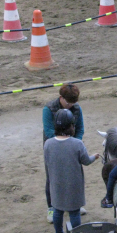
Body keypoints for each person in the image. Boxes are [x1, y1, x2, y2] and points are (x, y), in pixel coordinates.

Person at [43, 109, 100, 233]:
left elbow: (47, 162)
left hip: (56, 184)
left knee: (57, 211)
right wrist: (95, 156)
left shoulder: (48, 144)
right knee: (74, 213)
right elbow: (86, 161)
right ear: (71, 126)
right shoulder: (77, 143)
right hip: (74, 185)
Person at [43, 84, 86, 223]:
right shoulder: (48, 109)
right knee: (52, 177)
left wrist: (74, 143)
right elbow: (49, 131)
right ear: (61, 98)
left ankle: (74, 204)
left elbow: (80, 129)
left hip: (72, 146)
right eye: (68, 102)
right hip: (53, 147)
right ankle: (51, 207)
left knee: (75, 175)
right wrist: (64, 143)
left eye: (73, 103)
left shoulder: (76, 109)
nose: (70, 105)